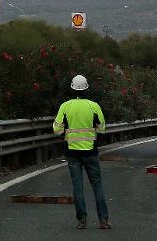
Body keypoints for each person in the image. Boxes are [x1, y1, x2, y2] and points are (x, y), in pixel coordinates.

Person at [54, 75, 111, 230]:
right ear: (87, 88)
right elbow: (102, 128)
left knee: (77, 186)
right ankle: (103, 220)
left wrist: (66, 133)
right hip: (90, 152)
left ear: (72, 88)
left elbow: (57, 129)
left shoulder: (65, 106)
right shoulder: (94, 106)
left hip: (72, 152)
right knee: (97, 185)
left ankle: (82, 220)